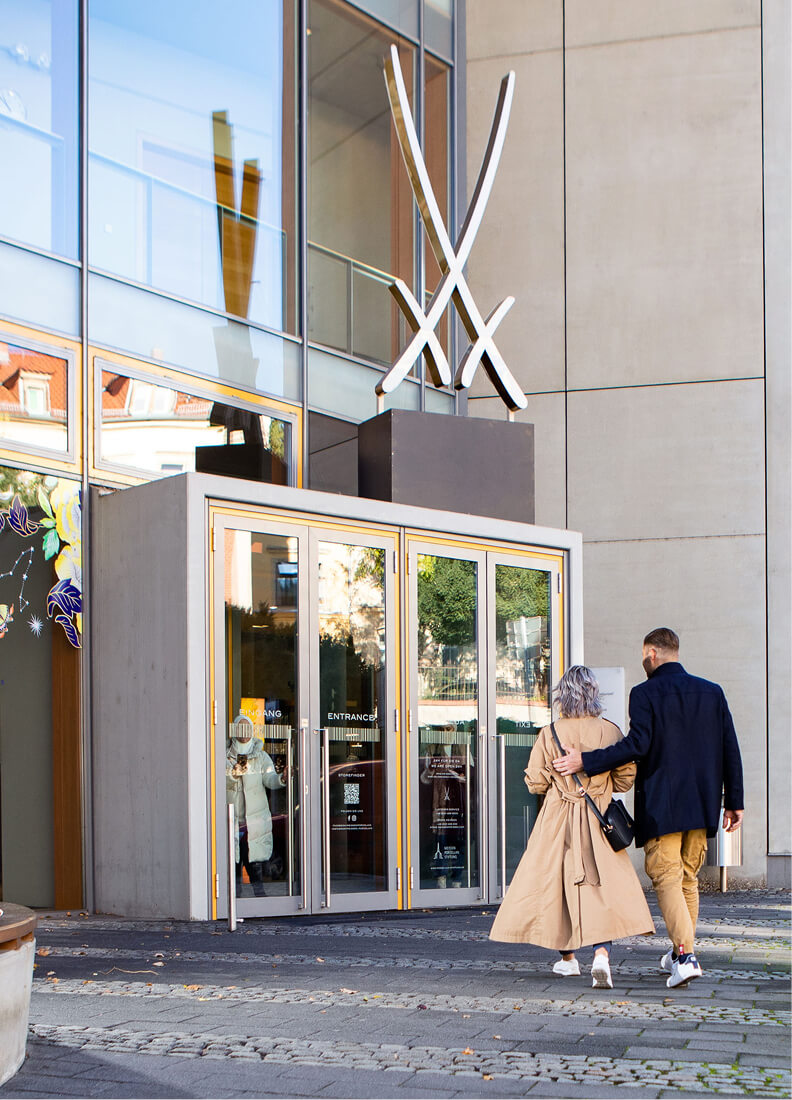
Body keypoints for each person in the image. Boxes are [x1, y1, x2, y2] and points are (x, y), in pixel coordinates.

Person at [553, 628, 744, 990]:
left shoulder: (645, 693)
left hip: (663, 806)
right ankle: (679, 951)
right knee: (687, 879)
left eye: (644, 654)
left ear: (652, 653)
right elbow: (729, 747)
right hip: (703, 804)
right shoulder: (712, 692)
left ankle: (685, 957)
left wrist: (586, 761)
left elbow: (637, 745)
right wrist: (735, 802)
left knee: (667, 877)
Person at [489, 666, 654, 988]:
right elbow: (624, 779)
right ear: (594, 694)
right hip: (598, 818)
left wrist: (556, 777)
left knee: (556, 887)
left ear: (562, 696)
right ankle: (602, 955)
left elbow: (535, 783)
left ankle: (568, 960)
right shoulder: (610, 731)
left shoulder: (550, 733)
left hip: (558, 820)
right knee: (601, 888)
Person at [227, 716, 287, 897]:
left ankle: (259, 902)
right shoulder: (225, 755)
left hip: (253, 822)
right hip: (232, 821)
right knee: (233, 867)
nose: (244, 732)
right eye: (240, 728)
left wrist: (282, 778)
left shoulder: (261, 756)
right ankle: (234, 903)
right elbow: (218, 782)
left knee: (255, 866)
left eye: (248, 728)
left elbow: (270, 779)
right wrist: (233, 774)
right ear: (234, 730)